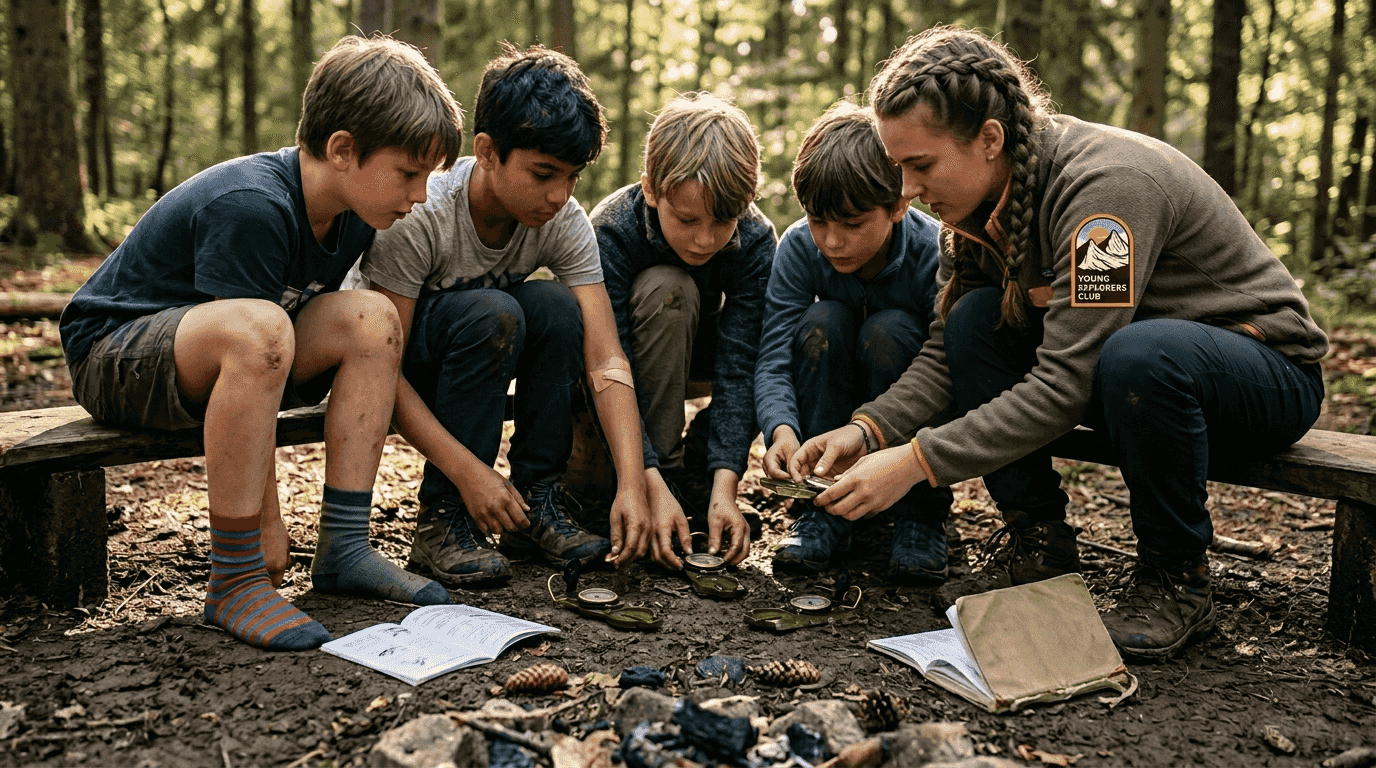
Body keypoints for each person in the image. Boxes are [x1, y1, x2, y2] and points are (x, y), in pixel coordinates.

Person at [788, 26, 1328, 659]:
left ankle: (1174, 577)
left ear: (989, 139)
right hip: (1129, 381)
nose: (905, 191)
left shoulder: (1107, 194)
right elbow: (942, 354)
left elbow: (1065, 383)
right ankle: (1038, 543)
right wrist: (868, 431)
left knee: (1141, 354)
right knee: (974, 322)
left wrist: (915, 463)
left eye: (920, 166)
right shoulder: (971, 217)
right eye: (897, 167)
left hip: (1259, 374)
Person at [58, 35, 466, 650]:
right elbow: (254, 349)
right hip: (116, 355)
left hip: (217, 356)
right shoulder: (252, 204)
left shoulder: (355, 211)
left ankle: (345, 547)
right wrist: (264, 526)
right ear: (343, 149)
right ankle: (235, 578)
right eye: (408, 173)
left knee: (375, 318)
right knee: (262, 328)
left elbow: (268, 355)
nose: (419, 195)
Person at [360, 43, 672, 583]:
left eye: (573, 178)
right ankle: (443, 520)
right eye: (544, 173)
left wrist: (633, 480)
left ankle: (534, 504)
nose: (559, 195)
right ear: (485, 152)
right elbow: (378, 366)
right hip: (403, 362)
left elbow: (605, 355)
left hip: (483, 345)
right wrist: (468, 474)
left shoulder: (562, 219)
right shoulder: (421, 212)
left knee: (555, 306)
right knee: (493, 312)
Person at [756, 101, 953, 584]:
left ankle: (919, 514)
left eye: (852, 224)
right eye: (819, 221)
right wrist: (780, 428)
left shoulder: (933, 253)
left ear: (899, 204)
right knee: (822, 319)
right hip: (834, 406)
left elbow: (946, 368)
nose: (832, 242)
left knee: (888, 330)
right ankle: (823, 504)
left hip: (904, 405)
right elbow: (775, 353)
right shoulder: (800, 247)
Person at [590, 93, 776, 567]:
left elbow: (741, 365)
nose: (706, 239)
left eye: (723, 222)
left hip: (707, 345)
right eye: (688, 220)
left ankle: (700, 476)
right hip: (625, 363)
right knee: (668, 287)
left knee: (784, 330)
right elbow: (609, 357)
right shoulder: (612, 229)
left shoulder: (755, 239)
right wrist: (649, 476)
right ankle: (664, 478)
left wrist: (725, 484)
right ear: (651, 189)